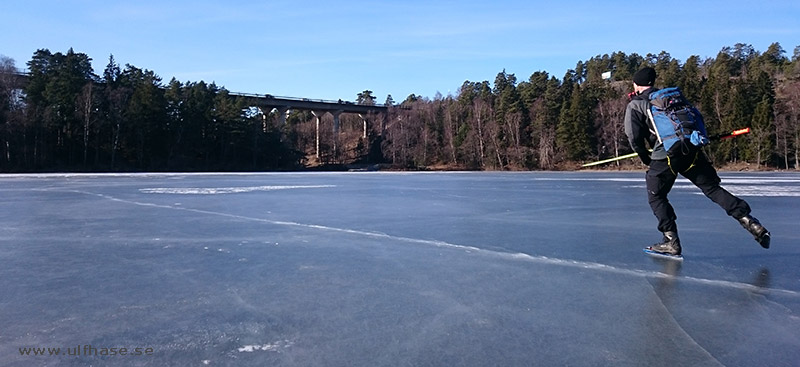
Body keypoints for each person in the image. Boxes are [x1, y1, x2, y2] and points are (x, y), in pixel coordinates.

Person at [623, 67, 771, 256]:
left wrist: (645, 157)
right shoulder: (670, 98)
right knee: (712, 189)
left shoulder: (636, 104)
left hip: (666, 155)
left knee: (657, 196)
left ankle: (671, 241)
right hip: (691, 149)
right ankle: (750, 221)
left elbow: (633, 137)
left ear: (636, 84)